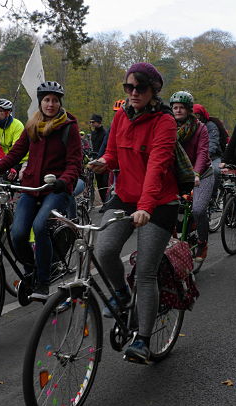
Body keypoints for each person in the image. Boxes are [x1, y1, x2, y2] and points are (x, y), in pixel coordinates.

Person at [88, 62, 179, 364]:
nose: (134, 93)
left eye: (140, 88)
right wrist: (103, 161)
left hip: (160, 201)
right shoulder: (120, 117)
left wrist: (146, 207)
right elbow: (113, 152)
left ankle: (142, 339)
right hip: (126, 195)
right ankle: (120, 295)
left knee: (145, 272)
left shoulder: (165, 122)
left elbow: (157, 167)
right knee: (104, 249)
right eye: (129, 87)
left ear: (154, 91)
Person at [0, 81, 82, 302]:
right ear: (40, 102)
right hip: (31, 188)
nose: (51, 104)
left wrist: (64, 181)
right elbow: (15, 154)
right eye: (47, 100)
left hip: (56, 189)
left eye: (55, 100)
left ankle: (43, 281)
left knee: (40, 226)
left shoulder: (69, 126)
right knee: (16, 233)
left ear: (59, 103)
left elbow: (75, 163)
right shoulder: (32, 124)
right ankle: (31, 272)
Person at [169, 91, 211, 261]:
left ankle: (202, 243)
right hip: (177, 174)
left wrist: (196, 173)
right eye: (175, 108)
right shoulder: (167, 127)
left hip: (202, 174)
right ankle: (172, 242)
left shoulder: (200, 128)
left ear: (188, 110)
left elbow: (202, 153)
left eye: (181, 108)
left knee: (199, 209)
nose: (178, 111)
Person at [0, 98, 26, 182]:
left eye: (0, 111)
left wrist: (13, 167)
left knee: (21, 177)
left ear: (8, 112)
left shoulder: (17, 125)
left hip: (23, 159)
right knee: (2, 183)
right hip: (9, 159)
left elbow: (17, 149)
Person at [89, 114, 110, 204]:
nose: (92, 124)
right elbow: (93, 146)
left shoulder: (105, 133)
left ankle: (107, 202)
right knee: (99, 182)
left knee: (105, 182)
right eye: (90, 122)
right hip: (95, 159)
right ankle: (104, 203)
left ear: (99, 122)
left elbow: (106, 146)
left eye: (93, 122)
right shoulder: (93, 134)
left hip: (104, 160)